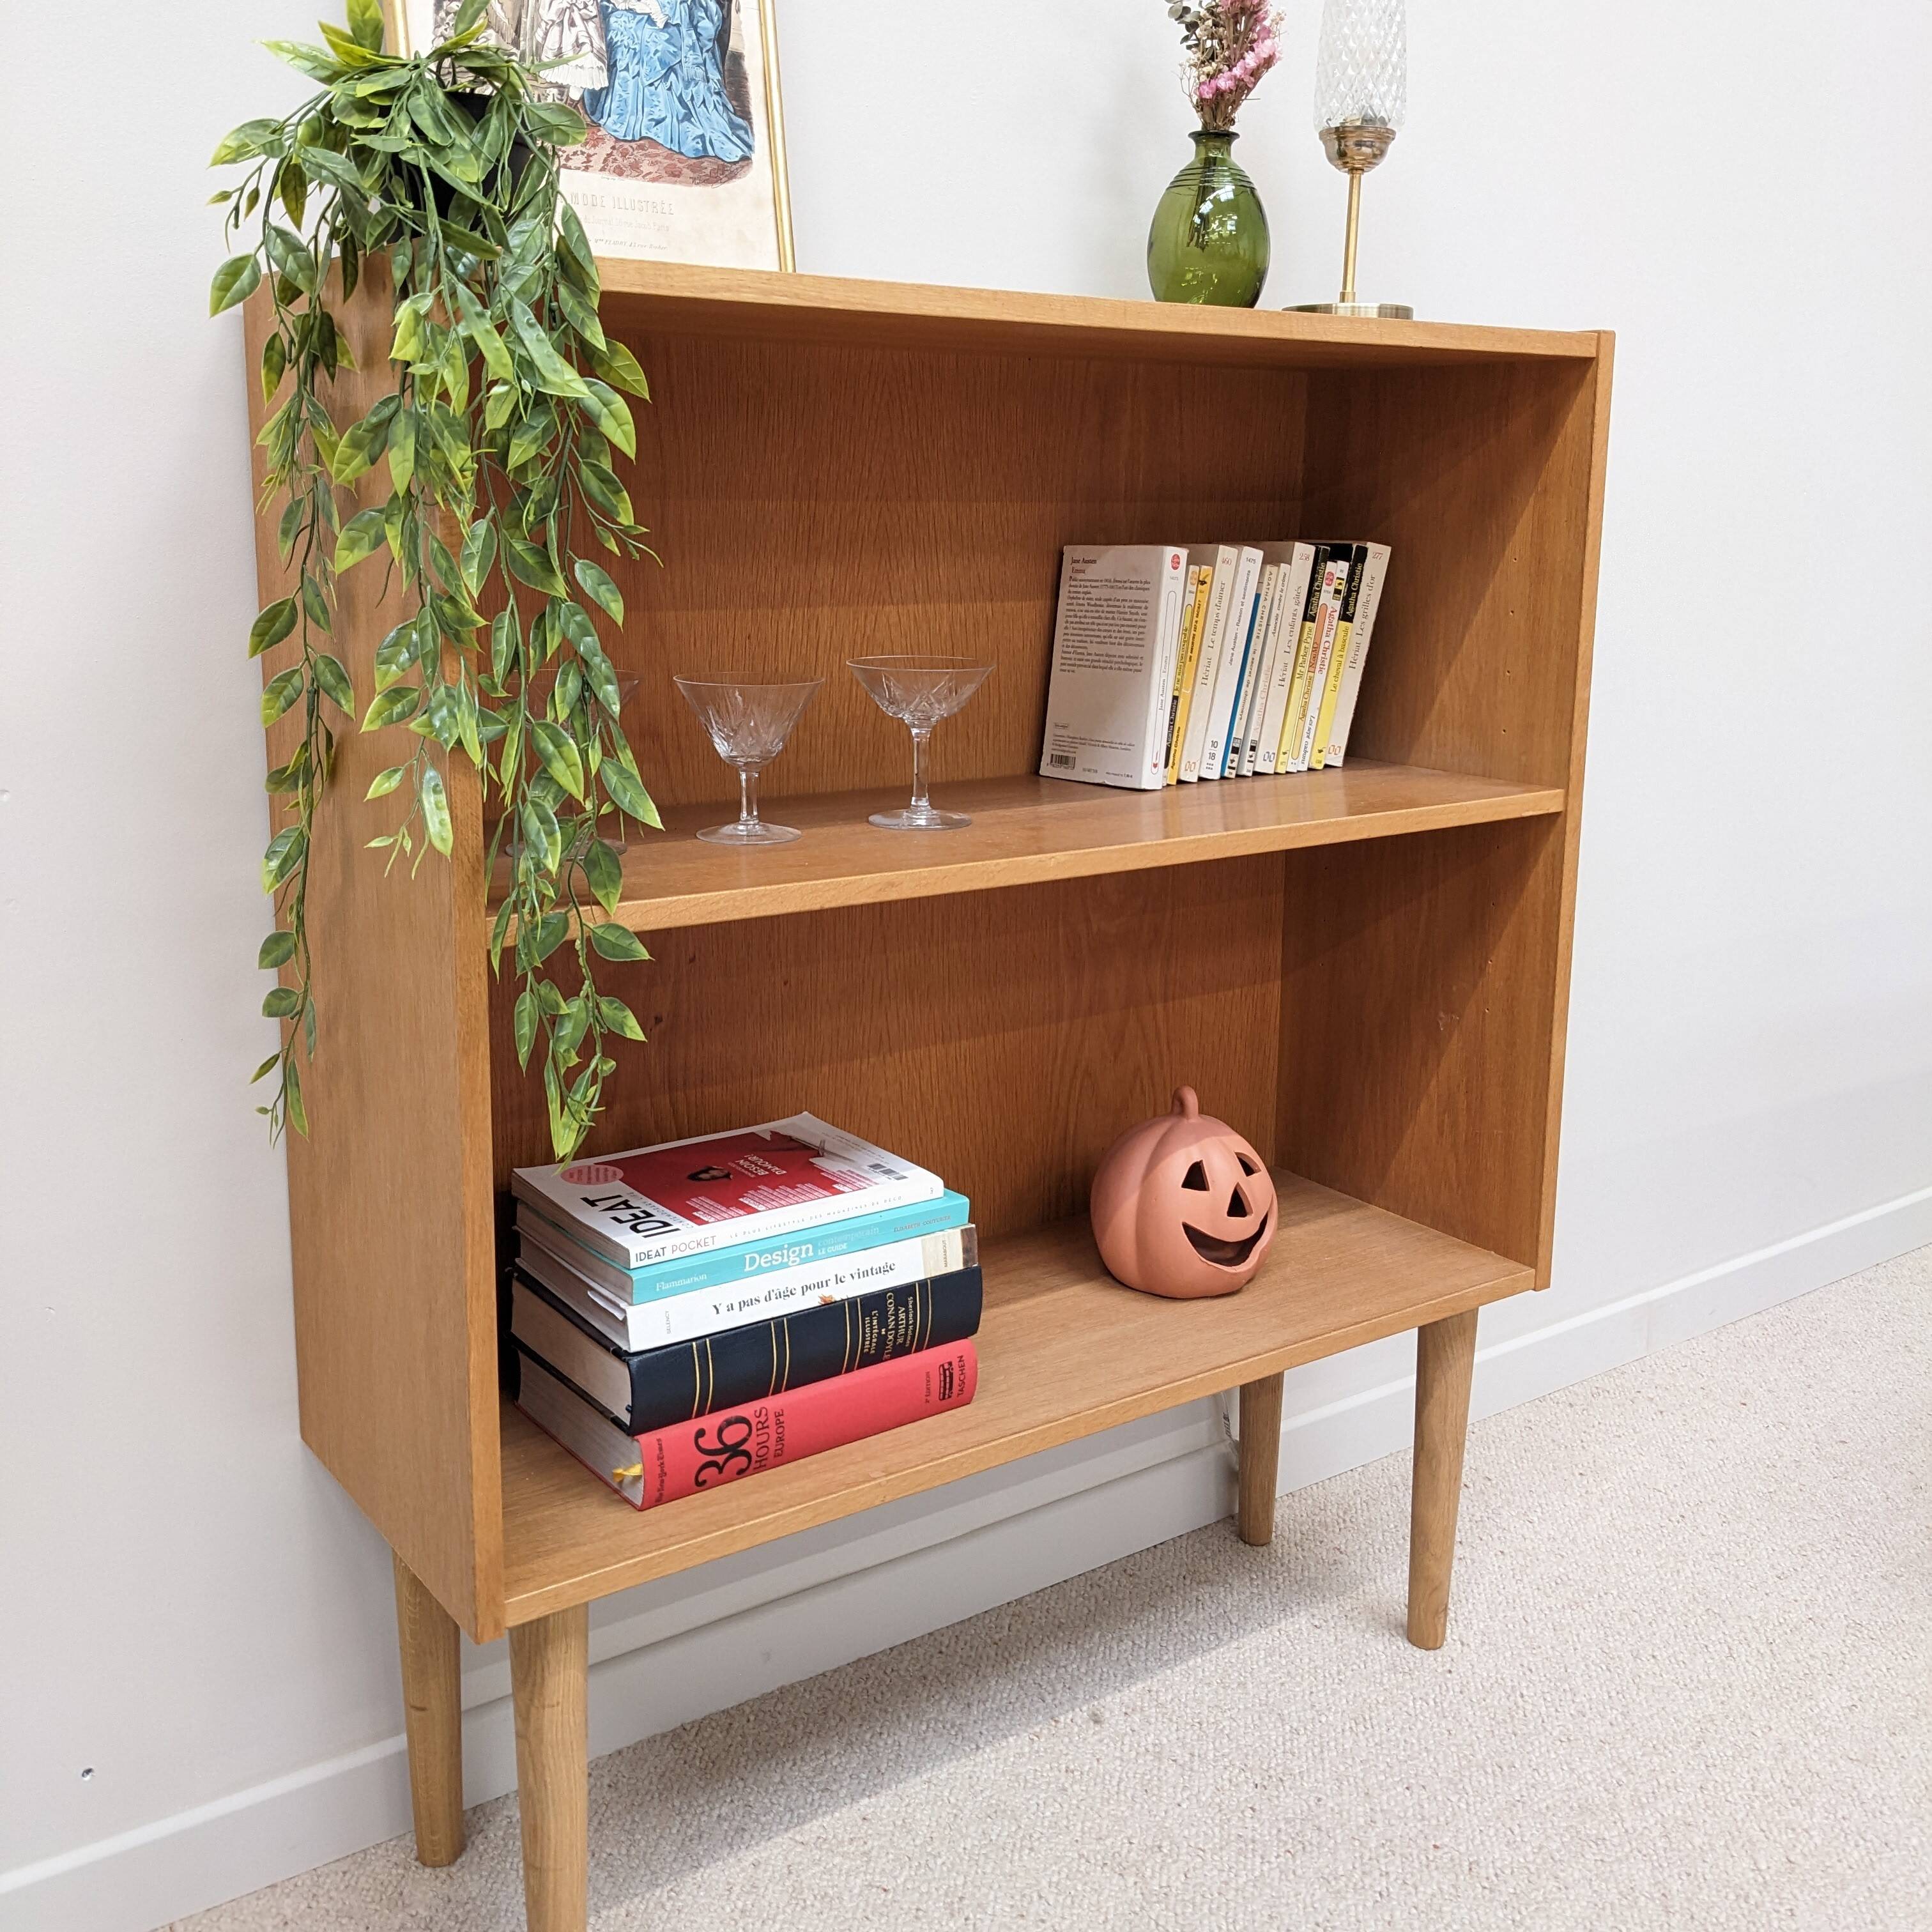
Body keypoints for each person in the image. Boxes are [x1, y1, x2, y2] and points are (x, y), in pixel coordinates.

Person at [583, 0, 753, 162]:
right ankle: (626, 115)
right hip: (638, 9)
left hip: (677, 11)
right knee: (619, 23)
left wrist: (661, 6)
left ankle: (672, 122)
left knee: (656, 39)